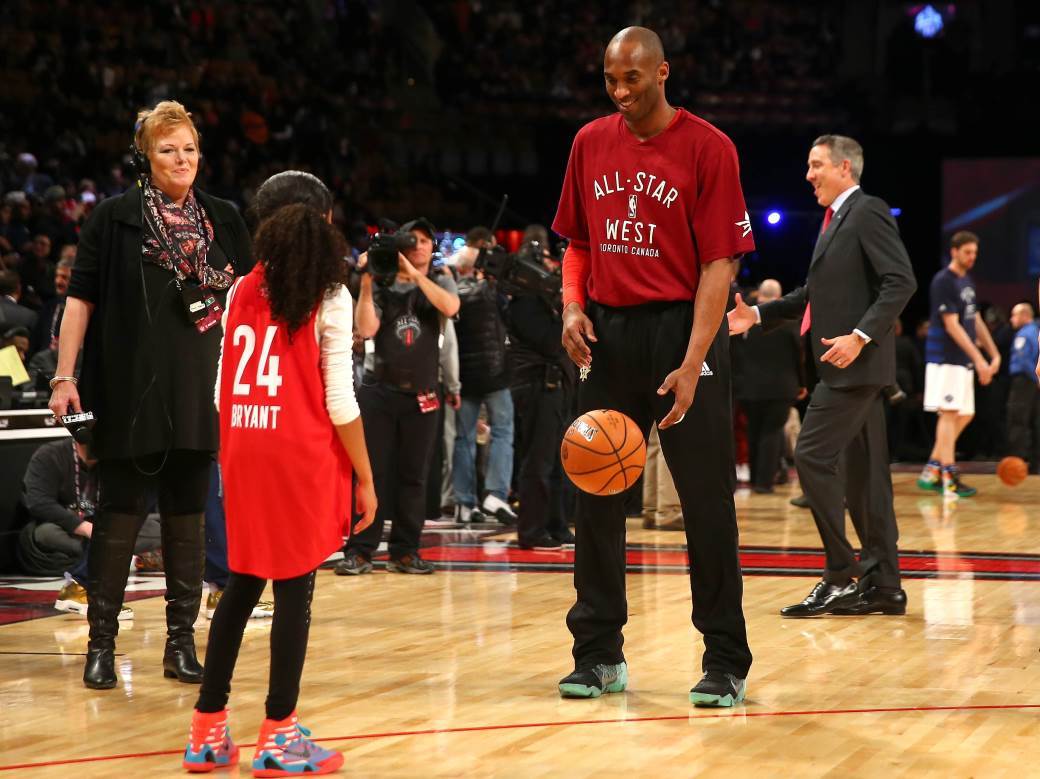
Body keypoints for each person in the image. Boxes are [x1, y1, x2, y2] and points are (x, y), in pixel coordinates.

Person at [553, 27, 753, 707]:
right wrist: (571, 308)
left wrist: (694, 361)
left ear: (662, 73)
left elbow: (719, 265)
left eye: (631, 79)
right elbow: (578, 243)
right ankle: (598, 654)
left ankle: (724, 658)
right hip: (609, 334)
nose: (619, 91)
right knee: (596, 490)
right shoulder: (589, 142)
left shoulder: (709, 147)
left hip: (682, 331)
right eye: (610, 79)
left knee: (705, 501)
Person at [48, 100, 253, 690]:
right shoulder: (113, 218)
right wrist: (65, 377)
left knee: (188, 521)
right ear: (145, 158)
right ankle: (101, 646)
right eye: (168, 149)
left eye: (189, 148)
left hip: (202, 394)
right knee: (120, 519)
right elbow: (80, 300)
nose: (182, 159)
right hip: (129, 390)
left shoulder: (224, 218)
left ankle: (180, 645)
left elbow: (249, 302)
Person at [183, 173, 375, 775]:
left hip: (241, 445)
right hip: (297, 451)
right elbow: (339, 399)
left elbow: (221, 390)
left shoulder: (242, 286)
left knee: (242, 582)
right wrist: (366, 477)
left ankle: (207, 731)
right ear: (322, 223)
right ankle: (278, 734)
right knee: (295, 591)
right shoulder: (329, 293)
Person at [729, 134, 917, 618]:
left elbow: (901, 280)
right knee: (868, 483)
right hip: (846, 369)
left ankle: (840, 573)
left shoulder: (867, 210)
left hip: (854, 367)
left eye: (816, 165)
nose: (808, 174)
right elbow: (811, 294)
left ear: (844, 168)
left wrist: (860, 336)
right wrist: (758, 314)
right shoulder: (836, 220)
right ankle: (885, 586)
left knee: (811, 456)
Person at [335, 217, 460, 575]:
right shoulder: (383, 282)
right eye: (412, 240)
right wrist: (367, 281)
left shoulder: (441, 280)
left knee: (414, 476)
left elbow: (450, 307)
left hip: (423, 393)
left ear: (432, 248)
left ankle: (405, 551)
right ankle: (360, 550)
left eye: (425, 241)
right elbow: (365, 328)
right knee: (370, 473)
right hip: (380, 390)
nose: (418, 246)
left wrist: (415, 276)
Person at [917, 232, 1000, 498]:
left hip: (962, 360)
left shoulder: (967, 282)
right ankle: (949, 478)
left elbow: (974, 320)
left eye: (974, 252)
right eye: (967, 252)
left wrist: (994, 354)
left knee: (965, 414)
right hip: (945, 358)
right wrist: (980, 360)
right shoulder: (943, 280)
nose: (972, 257)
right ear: (954, 251)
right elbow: (952, 326)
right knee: (949, 413)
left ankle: (932, 469)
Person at [507, 234, 576, 549]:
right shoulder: (523, 303)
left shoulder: (540, 301)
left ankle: (556, 524)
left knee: (557, 460)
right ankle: (532, 530)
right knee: (538, 460)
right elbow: (551, 342)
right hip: (537, 385)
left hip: (555, 385)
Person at [452, 229, 517, 525]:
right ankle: (496, 494)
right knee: (503, 432)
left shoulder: (450, 290)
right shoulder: (493, 291)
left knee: (463, 438)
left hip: (464, 375)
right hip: (494, 374)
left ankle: (464, 503)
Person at [734, 279, 805, 494]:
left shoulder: (746, 318)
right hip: (781, 386)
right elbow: (799, 354)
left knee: (753, 430)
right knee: (772, 432)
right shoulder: (789, 320)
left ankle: (755, 478)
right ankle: (764, 483)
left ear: (760, 294)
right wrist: (803, 382)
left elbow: (735, 352)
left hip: (748, 386)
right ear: (780, 296)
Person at [1006, 302, 1040, 472]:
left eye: (1014, 315)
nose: (1011, 319)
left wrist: (1035, 378)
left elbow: (1023, 359)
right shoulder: (1036, 331)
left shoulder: (1025, 334)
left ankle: (1016, 464)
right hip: (1034, 381)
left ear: (1025, 315)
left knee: (1017, 420)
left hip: (1025, 381)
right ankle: (1036, 464)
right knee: (1036, 421)